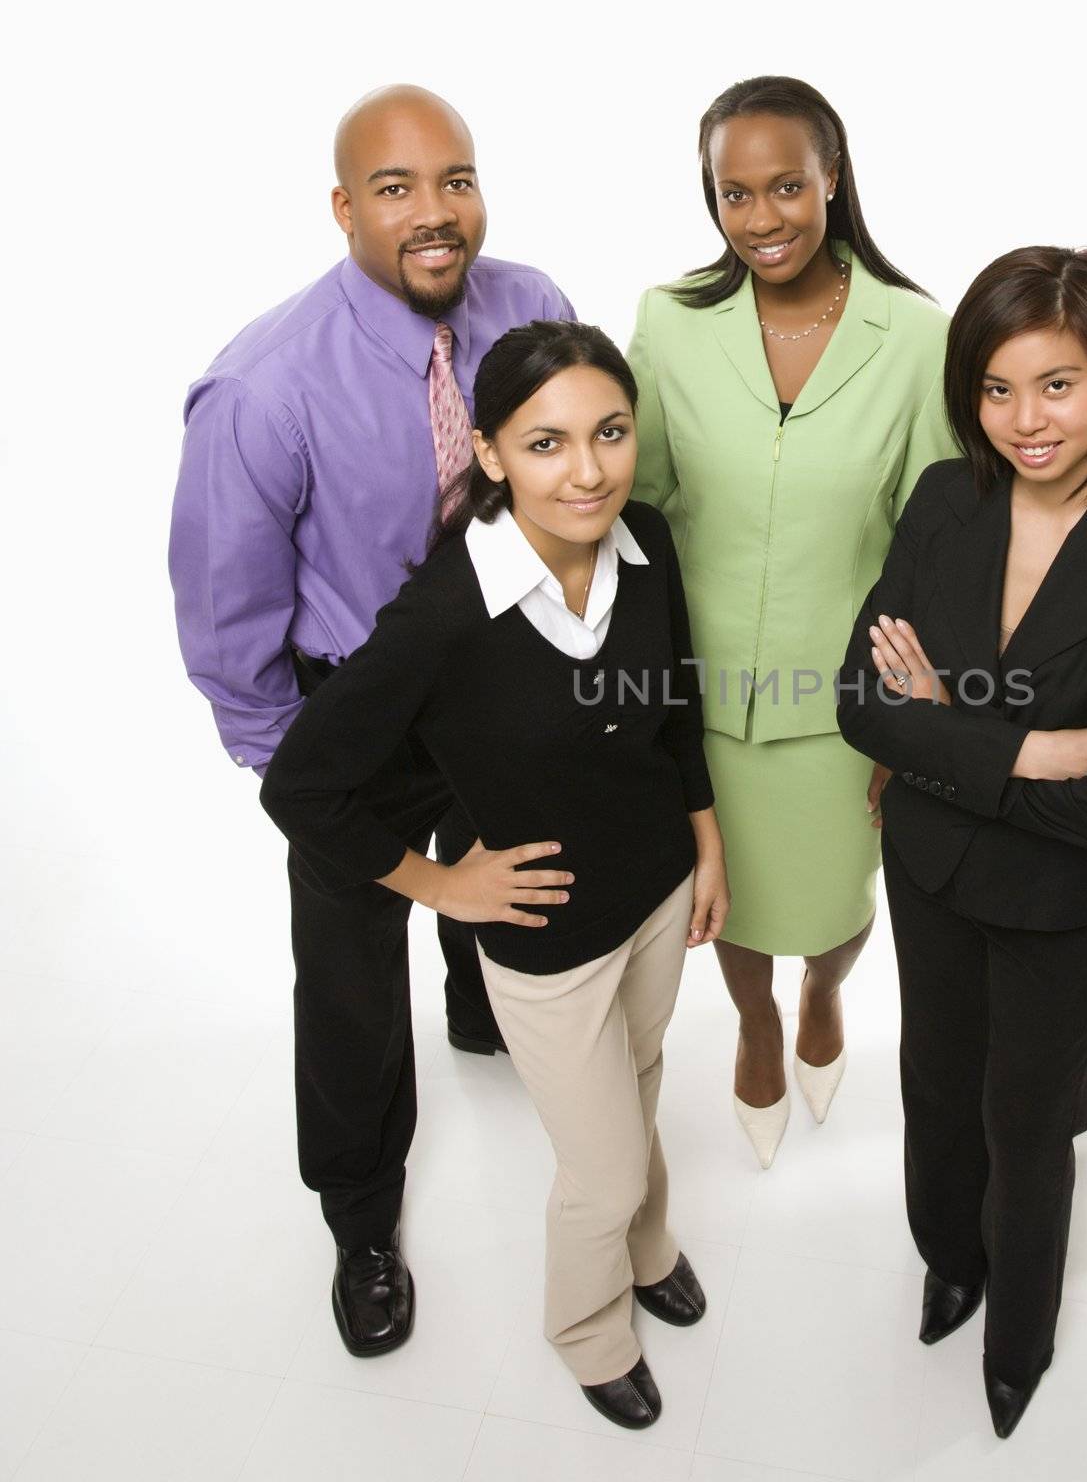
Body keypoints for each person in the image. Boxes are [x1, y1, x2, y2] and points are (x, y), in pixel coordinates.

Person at [260, 320, 730, 1430]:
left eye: (610, 433)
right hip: (548, 939)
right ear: (488, 453)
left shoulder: (647, 539)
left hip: (658, 891)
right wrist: (438, 886)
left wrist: (706, 844)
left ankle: (650, 1247)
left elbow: (677, 709)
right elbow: (303, 784)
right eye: (547, 443)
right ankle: (588, 1326)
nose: (588, 470)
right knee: (601, 1167)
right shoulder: (442, 616)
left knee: (643, 1084)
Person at [168, 85, 575, 1355]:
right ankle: (360, 1217)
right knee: (347, 970)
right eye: (396, 189)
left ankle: (476, 1000)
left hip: (507, 660)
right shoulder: (263, 386)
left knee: (509, 856)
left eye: (454, 178)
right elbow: (225, 619)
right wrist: (305, 768)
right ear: (344, 208)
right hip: (359, 698)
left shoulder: (533, 303)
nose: (435, 212)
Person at [838, 245, 1087, 1438]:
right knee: (934, 1085)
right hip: (931, 874)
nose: (1024, 419)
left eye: (1056, 384)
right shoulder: (948, 500)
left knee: (1032, 1116)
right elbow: (860, 700)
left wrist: (941, 731)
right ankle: (947, 1257)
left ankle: (1021, 1332)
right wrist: (1022, 746)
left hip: (1060, 899)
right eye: (997, 389)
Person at [626, 76, 957, 1166]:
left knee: (835, 902)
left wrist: (910, 720)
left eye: (785, 187)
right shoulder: (670, 324)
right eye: (734, 193)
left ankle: (821, 996)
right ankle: (760, 1021)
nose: (761, 218)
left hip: (845, 699)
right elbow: (644, 502)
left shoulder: (913, 335)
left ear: (832, 180)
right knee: (732, 901)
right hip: (706, 691)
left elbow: (937, 538)